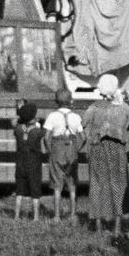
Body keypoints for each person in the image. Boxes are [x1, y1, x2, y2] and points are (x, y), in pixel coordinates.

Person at [82, 75, 129, 234]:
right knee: (118, 185)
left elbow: (83, 126)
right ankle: (117, 227)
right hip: (117, 149)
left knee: (97, 185)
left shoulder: (93, 108)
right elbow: (126, 125)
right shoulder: (124, 108)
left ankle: (98, 225)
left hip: (98, 149)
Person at [42, 88, 84, 220]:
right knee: (72, 184)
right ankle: (73, 214)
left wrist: (50, 150)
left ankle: (57, 216)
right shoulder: (76, 116)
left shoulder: (52, 116)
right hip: (72, 150)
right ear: (70, 100)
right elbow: (83, 136)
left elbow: (46, 136)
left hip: (57, 150)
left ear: (56, 101)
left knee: (57, 184)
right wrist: (77, 149)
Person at [12, 100, 45, 220]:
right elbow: (43, 134)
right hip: (34, 163)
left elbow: (16, 125)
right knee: (35, 190)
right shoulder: (37, 131)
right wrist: (38, 124)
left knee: (19, 190)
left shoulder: (18, 130)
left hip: (20, 163)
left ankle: (16, 216)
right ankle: (35, 217)